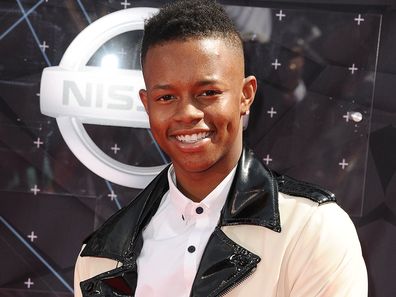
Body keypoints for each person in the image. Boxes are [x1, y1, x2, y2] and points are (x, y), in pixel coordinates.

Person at [74, 1, 367, 296]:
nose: (187, 113)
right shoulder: (100, 258)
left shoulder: (311, 229)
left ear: (245, 95)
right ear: (146, 103)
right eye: (166, 97)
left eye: (208, 93)